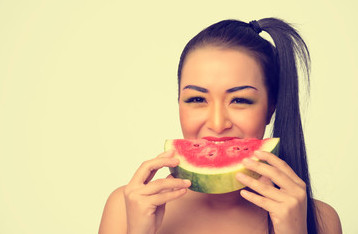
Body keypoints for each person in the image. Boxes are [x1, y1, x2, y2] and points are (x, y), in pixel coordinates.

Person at [98, 18, 342, 234]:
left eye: (240, 100)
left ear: (270, 109)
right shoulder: (126, 207)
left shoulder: (321, 220)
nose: (217, 124)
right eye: (197, 99)